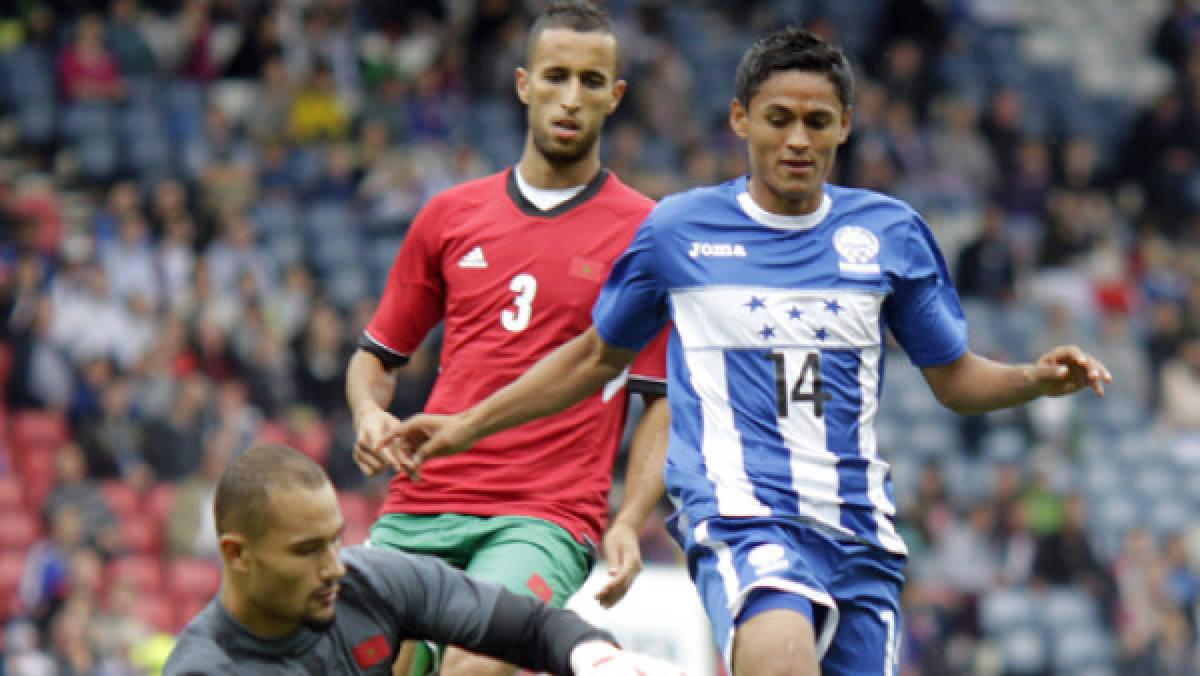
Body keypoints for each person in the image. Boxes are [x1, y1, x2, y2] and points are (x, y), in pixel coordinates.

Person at [389, 27, 1114, 676]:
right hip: (742, 517)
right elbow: (592, 360)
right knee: (778, 654)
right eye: (779, 119)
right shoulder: (679, 231)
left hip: (859, 530)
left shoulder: (890, 234)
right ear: (741, 120)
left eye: (816, 122)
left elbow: (953, 380)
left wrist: (1034, 379)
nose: (798, 139)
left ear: (845, 128)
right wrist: (460, 428)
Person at [345, 3, 669, 675]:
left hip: (543, 514)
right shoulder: (449, 215)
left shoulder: (649, 234)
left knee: (473, 664)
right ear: (524, 84)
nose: (571, 98)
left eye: (589, 81)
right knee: (376, 660)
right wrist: (369, 413)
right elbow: (377, 357)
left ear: (616, 96)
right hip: (423, 499)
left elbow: (658, 397)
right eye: (556, 76)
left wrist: (630, 518)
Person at [164, 444, 682, 676]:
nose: (334, 566)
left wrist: (594, 657)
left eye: (335, 540)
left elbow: (525, 627)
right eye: (306, 551)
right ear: (237, 555)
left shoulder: (367, 583)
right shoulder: (204, 669)